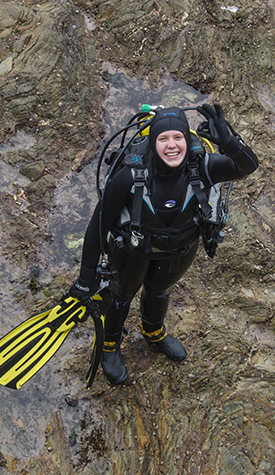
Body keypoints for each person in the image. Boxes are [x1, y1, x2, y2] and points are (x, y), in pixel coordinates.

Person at [70, 104, 258, 385]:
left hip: (181, 249)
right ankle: (110, 346)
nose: (172, 146)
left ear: (186, 138)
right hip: (133, 250)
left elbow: (248, 167)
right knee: (122, 295)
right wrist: (86, 279)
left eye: (178, 138)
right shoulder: (129, 177)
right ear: (153, 143)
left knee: (159, 290)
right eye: (163, 139)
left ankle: (153, 332)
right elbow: (97, 228)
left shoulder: (203, 168)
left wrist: (228, 142)